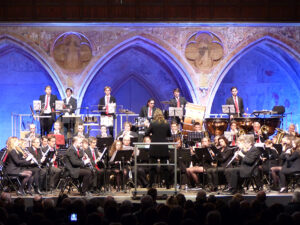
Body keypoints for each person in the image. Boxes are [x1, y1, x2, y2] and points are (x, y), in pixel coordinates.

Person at [145, 109, 171, 188]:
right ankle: (167, 185)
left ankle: (150, 184)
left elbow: (146, 133)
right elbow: (169, 135)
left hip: (154, 147)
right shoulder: (166, 123)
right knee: (165, 167)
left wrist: (148, 128)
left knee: (152, 167)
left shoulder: (153, 123)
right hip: (163, 147)